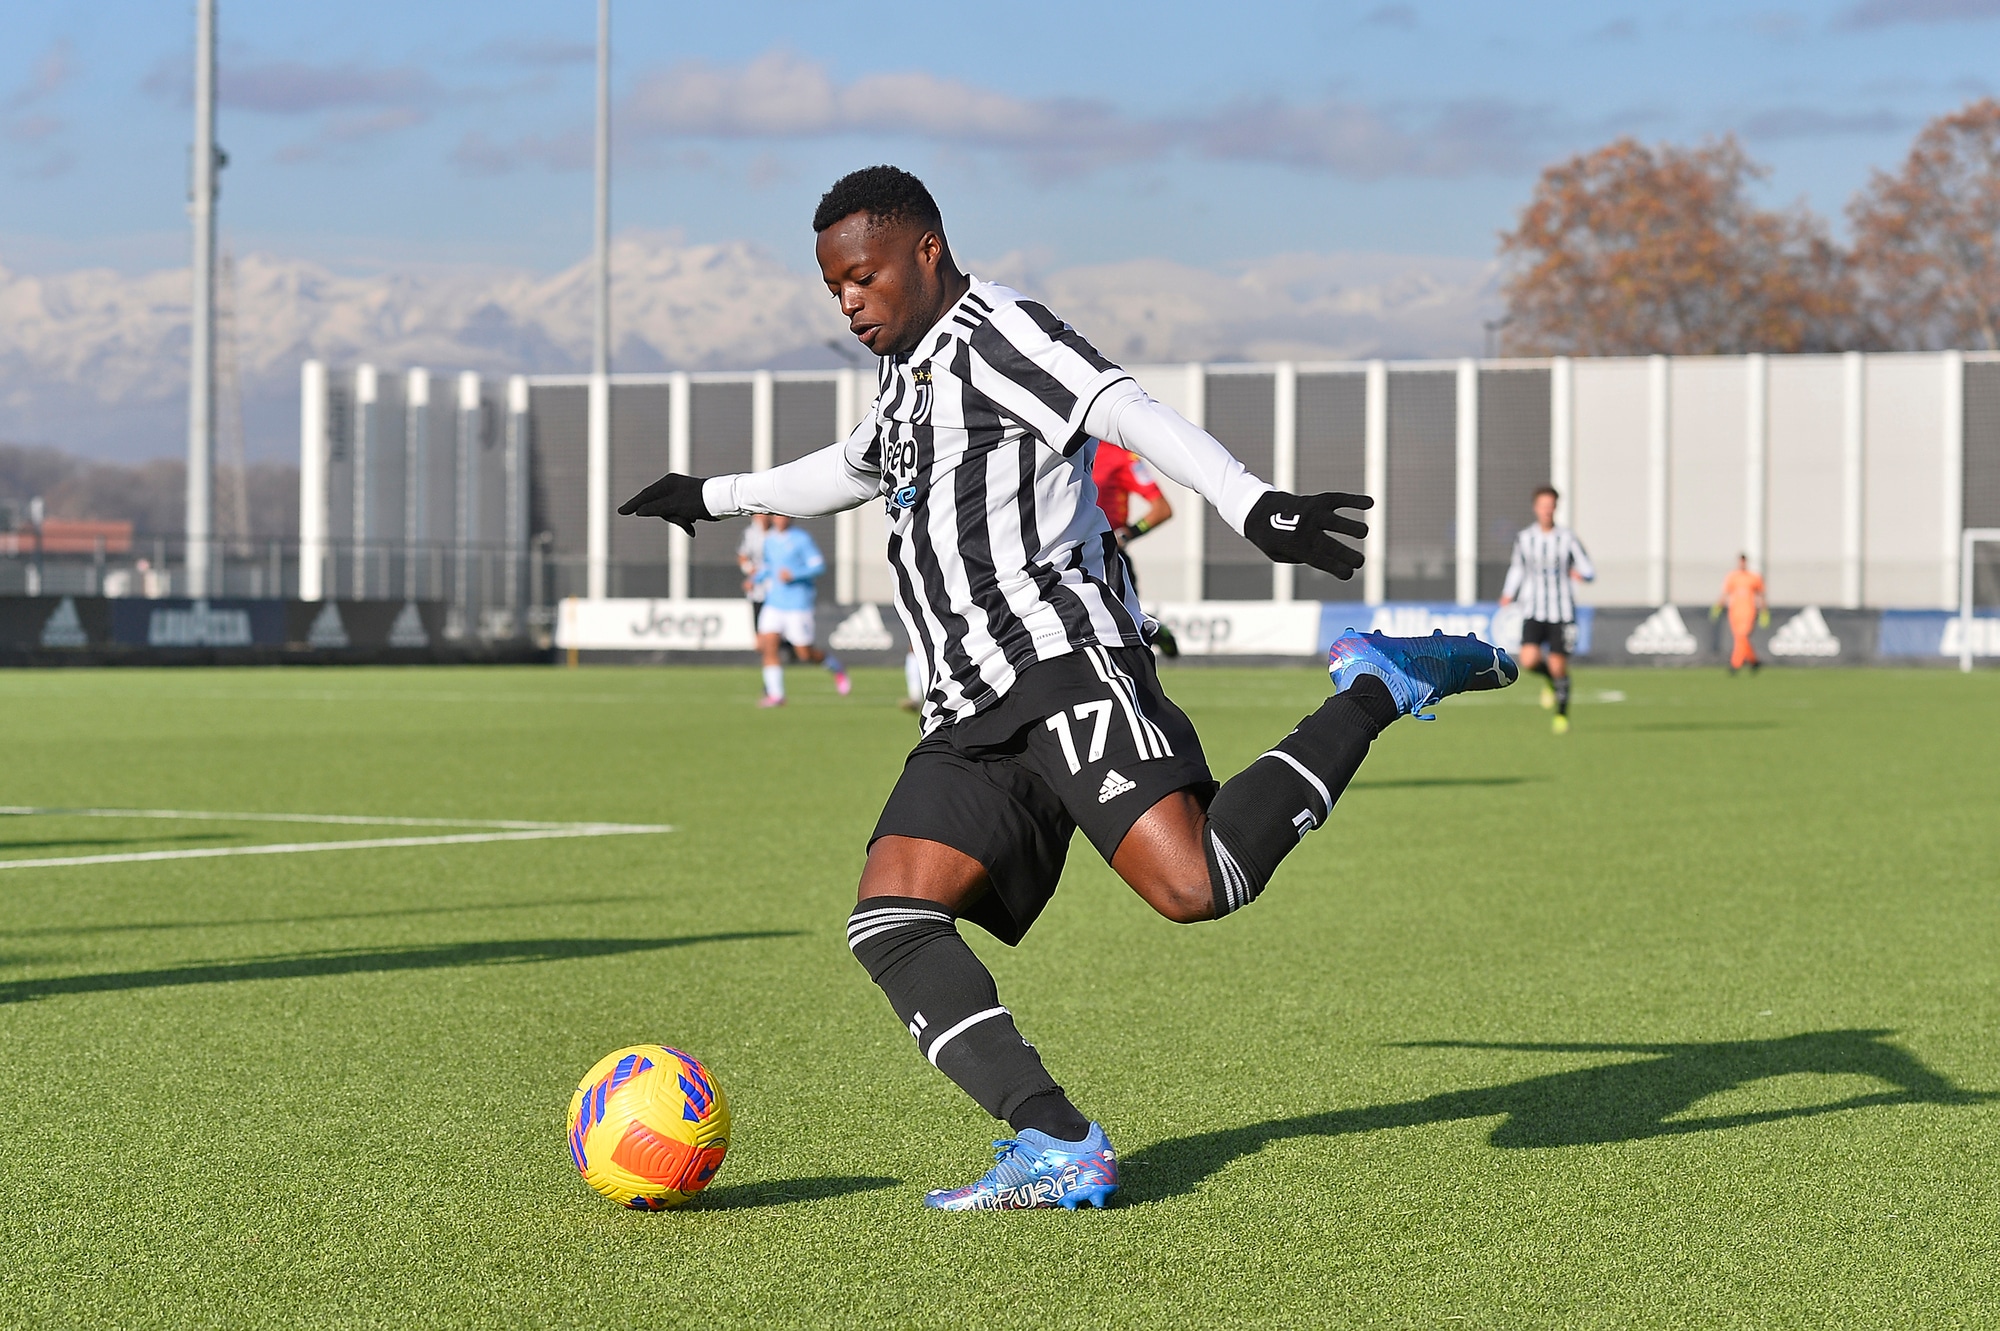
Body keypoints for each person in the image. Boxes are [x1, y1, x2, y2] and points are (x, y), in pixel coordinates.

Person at [619, 165, 1516, 1211]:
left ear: (925, 250)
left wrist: (1250, 500)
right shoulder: (906, 373)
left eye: (861, 277)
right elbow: (854, 465)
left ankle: (1377, 683)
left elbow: (1128, 412)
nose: (849, 301)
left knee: (1199, 884)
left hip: (1059, 663)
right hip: (967, 708)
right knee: (890, 922)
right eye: (832, 290)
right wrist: (712, 495)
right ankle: (1056, 1139)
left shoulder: (1002, 334)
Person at [1499, 485, 1595, 735]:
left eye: (1551, 505)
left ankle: (1561, 716)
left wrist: (1581, 575)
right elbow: (1517, 568)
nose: (1547, 510)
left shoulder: (1567, 538)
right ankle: (1550, 682)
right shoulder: (1525, 538)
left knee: (1558, 665)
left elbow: (1588, 569)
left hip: (1561, 613)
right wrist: (1509, 592)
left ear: (1555, 508)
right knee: (1529, 660)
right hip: (1534, 609)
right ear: (1536, 508)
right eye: (1543, 505)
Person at [1091, 440, 1179, 657]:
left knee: (1125, 632)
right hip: (1063, 558)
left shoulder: (1120, 456)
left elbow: (1162, 508)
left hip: (1107, 559)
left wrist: (1127, 533)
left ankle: (1154, 631)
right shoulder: (1054, 446)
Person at [752, 515, 849, 706]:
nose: (780, 519)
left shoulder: (802, 539)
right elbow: (769, 567)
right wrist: (755, 579)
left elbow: (818, 566)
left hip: (797, 604)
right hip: (774, 603)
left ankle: (835, 667)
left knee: (804, 653)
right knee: (768, 646)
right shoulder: (769, 540)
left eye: (783, 516)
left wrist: (795, 574)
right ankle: (776, 695)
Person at [1712, 554, 1768, 674]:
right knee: (1739, 637)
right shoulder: (1732, 577)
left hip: (1749, 611)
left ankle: (1735, 664)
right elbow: (1725, 594)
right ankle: (1754, 661)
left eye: (1744, 562)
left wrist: (1764, 612)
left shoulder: (1754, 577)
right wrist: (1717, 607)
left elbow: (1761, 595)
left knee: (1742, 636)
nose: (1742, 564)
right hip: (1734, 611)